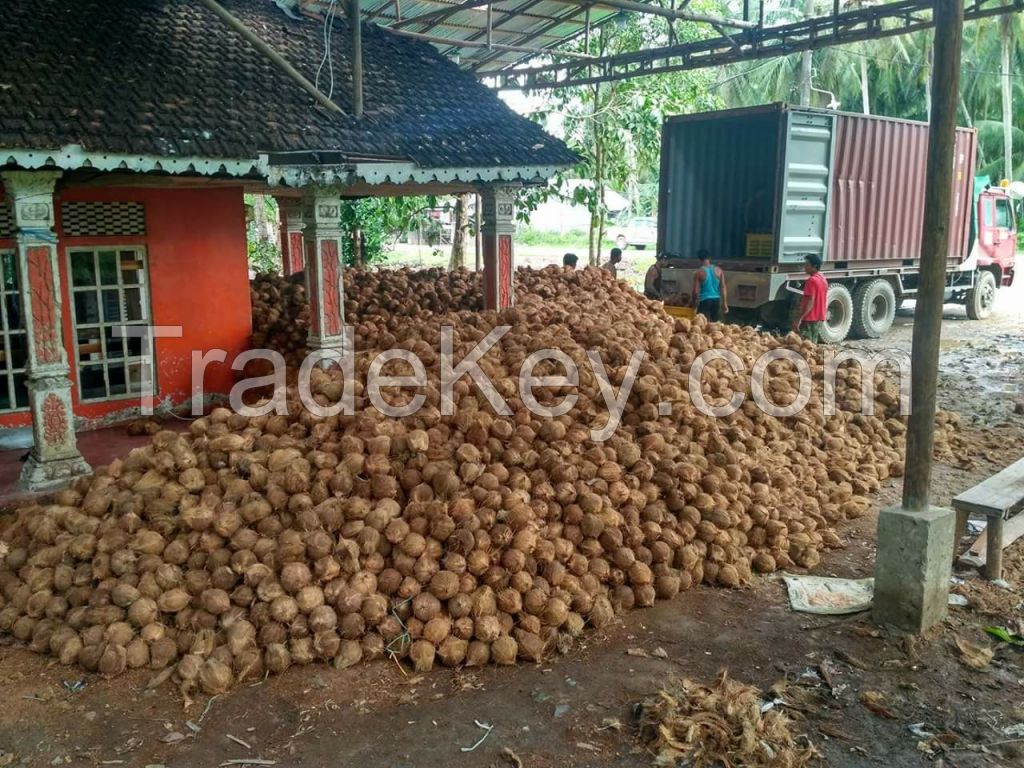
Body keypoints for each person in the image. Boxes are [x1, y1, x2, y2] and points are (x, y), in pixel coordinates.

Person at [793, 254, 828, 342]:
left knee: (805, 347)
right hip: (819, 318)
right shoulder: (822, 278)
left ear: (814, 266)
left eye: (807, 264)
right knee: (813, 346)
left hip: (809, 318)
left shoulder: (811, 281)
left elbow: (810, 302)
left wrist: (799, 318)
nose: (805, 267)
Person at [691, 250, 728, 321]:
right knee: (715, 325)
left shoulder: (699, 272)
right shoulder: (719, 270)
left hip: (704, 301)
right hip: (716, 300)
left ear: (699, 260)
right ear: (709, 258)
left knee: (701, 324)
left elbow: (695, 292)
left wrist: (694, 304)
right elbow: (723, 287)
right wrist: (725, 303)